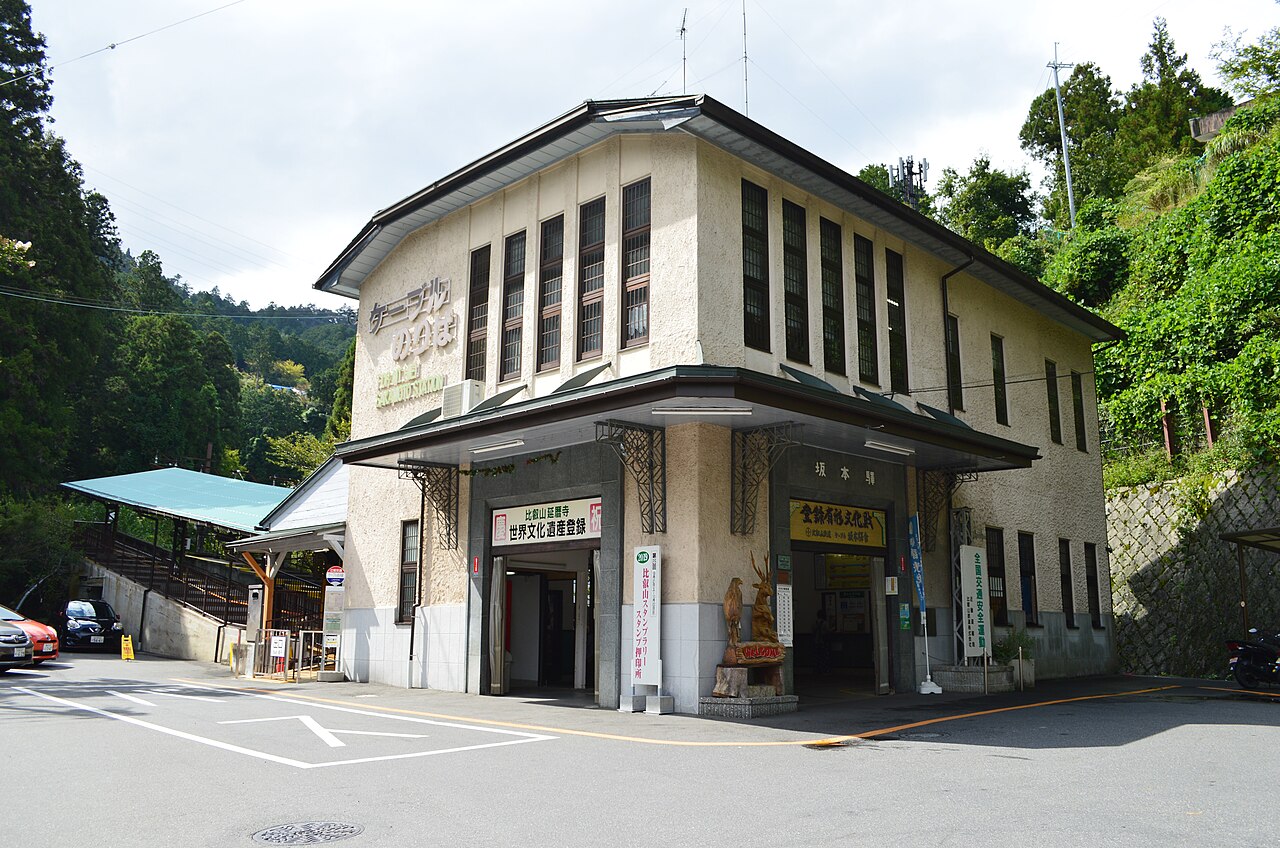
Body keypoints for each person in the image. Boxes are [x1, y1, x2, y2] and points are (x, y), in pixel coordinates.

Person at [813, 608, 831, 674]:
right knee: (824, 656)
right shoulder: (825, 623)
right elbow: (828, 631)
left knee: (817, 656)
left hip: (816, 641)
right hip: (823, 642)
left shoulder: (815, 623)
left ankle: (817, 669)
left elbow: (813, 631)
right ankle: (824, 669)